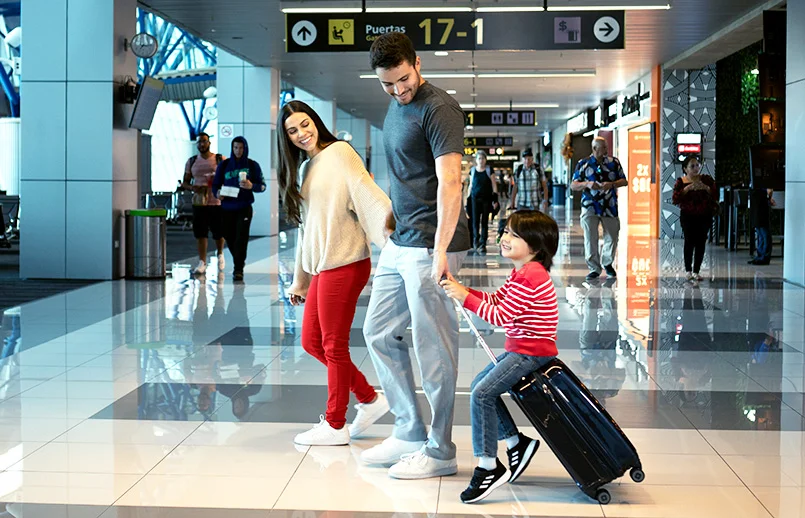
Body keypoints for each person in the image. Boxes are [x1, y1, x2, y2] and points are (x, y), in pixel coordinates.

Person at [360, 32, 471, 479]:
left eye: (404, 80)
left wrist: (441, 250)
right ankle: (407, 430)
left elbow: (449, 182)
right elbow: (407, 172)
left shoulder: (438, 108)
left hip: (431, 245)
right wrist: (391, 211)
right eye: (388, 84)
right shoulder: (394, 105)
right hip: (400, 240)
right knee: (378, 332)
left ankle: (441, 449)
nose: (398, 90)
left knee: (433, 347)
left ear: (417, 64)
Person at [279, 100, 394, 446]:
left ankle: (335, 423)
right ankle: (370, 400)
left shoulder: (341, 153)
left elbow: (368, 196)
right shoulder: (305, 169)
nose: (301, 133)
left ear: (315, 121)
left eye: (304, 124)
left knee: (333, 345)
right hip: (322, 268)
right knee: (312, 342)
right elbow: (306, 230)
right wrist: (301, 279)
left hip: (345, 262)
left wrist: (393, 237)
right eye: (292, 131)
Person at [440, 210, 560, 503]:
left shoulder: (531, 275)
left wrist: (463, 297)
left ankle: (488, 466)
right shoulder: (522, 271)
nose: (505, 239)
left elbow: (501, 316)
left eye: (514, 235)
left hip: (529, 353)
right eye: (506, 232)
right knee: (483, 388)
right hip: (523, 348)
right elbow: (497, 300)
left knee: (481, 393)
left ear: (536, 246)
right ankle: (516, 443)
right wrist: (463, 290)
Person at [571, 137, 628, 281]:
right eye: (603, 147)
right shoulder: (583, 164)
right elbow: (573, 185)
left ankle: (607, 263)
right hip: (589, 205)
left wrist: (612, 184)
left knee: (613, 235)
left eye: (606, 147)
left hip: (609, 205)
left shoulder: (613, 162)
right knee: (591, 237)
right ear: (595, 148)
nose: (606, 150)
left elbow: (624, 180)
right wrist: (587, 184)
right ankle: (594, 268)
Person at [212, 136, 266, 281]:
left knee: (241, 238)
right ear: (232, 148)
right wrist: (217, 193)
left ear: (245, 148)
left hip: (244, 207)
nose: (238, 151)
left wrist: (251, 186)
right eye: (236, 147)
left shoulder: (252, 165)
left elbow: (262, 186)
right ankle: (239, 259)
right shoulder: (224, 165)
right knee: (228, 235)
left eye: (241, 148)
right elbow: (215, 185)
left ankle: (238, 268)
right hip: (227, 207)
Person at [180, 132, 225, 276]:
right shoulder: (192, 161)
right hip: (199, 202)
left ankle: (220, 253)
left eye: (204, 141)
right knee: (201, 233)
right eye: (199, 142)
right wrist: (193, 188)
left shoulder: (219, 160)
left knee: (218, 232)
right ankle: (202, 262)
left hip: (216, 201)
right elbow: (185, 182)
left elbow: (229, 178)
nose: (201, 144)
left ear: (209, 143)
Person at [672, 156, 718, 281]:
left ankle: (696, 271)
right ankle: (688, 270)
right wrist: (687, 189)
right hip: (688, 216)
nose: (695, 168)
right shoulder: (681, 182)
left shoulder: (706, 180)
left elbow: (715, 194)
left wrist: (706, 188)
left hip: (704, 216)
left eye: (697, 165)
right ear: (685, 169)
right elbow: (675, 199)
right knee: (689, 242)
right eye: (692, 166)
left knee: (701, 243)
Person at [467, 150, 498, 254]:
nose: (481, 161)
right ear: (476, 160)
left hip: (486, 199)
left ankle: (483, 243)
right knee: (475, 221)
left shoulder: (489, 170)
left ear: (485, 160)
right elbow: (470, 186)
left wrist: (495, 199)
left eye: (483, 158)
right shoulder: (472, 171)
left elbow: (494, 185)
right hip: (474, 199)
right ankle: (475, 242)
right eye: (479, 158)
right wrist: (467, 199)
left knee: (484, 221)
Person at [749, 178, 775, 265]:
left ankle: (764, 256)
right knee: (760, 231)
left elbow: (769, 190)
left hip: (761, 203)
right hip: (757, 202)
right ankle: (760, 255)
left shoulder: (763, 177)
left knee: (764, 231)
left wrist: (769, 196)